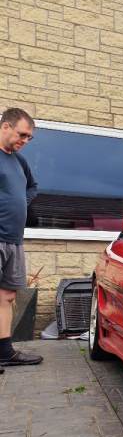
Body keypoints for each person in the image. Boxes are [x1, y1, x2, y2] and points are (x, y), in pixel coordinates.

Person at [0, 107, 43, 367]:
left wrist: (20, 204)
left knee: (6, 296)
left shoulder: (19, 161)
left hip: (14, 240)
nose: (25, 141)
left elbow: (32, 187)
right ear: (5, 126)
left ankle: (4, 352)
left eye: (29, 137)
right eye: (22, 134)